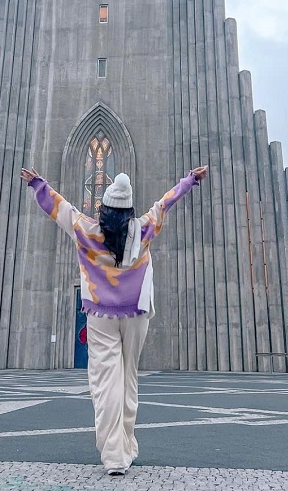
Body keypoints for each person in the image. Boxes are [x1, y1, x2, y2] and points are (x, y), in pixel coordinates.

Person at [21, 164, 207, 476]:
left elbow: (59, 207)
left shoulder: (87, 230)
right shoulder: (143, 229)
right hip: (135, 312)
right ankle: (127, 443)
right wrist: (189, 180)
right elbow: (165, 203)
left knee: (106, 381)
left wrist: (38, 183)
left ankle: (114, 455)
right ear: (129, 208)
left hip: (100, 313)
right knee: (128, 376)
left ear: (104, 208)